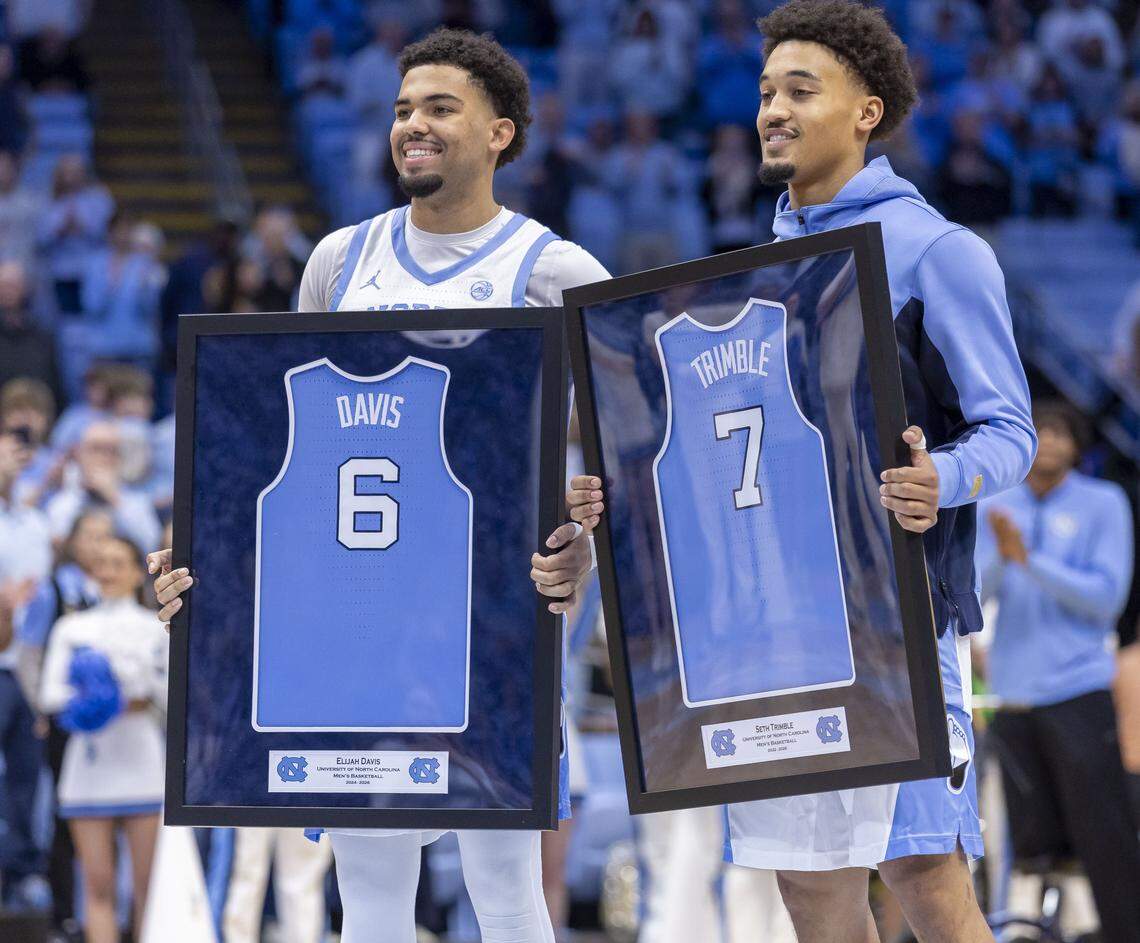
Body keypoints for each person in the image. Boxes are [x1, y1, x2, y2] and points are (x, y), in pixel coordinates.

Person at [543, 3, 1037, 942]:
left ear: (867, 110)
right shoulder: (754, 271)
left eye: (801, 90)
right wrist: (626, 492)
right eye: (767, 91)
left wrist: (947, 479)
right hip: (762, 628)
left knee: (926, 875)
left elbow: (1007, 427)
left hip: (896, 616)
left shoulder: (940, 251)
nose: (772, 108)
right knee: (810, 893)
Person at [148, 27, 601, 943]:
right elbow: (291, 443)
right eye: (402, 109)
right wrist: (208, 556)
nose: (412, 126)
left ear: (502, 133)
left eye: (440, 108)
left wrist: (587, 539)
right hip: (366, 613)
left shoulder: (553, 271)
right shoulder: (340, 261)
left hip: (492, 616)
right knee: (372, 890)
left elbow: (632, 445)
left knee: (507, 886)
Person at [977, 400, 1140, 942]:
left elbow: (1106, 598)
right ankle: (1036, 932)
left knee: (1105, 839)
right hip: (1014, 697)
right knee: (1026, 845)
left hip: (1077, 690)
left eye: (1058, 432)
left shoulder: (1104, 503)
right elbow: (977, 594)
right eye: (1037, 432)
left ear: (1077, 444)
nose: (1047, 442)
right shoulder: (997, 506)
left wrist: (1030, 559)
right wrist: (1002, 555)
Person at [39, 534, 168, 943]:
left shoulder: (156, 627)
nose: (108, 572)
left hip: (141, 759)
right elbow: (49, 695)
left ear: (136, 571)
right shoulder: (71, 627)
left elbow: (168, 696)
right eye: (102, 564)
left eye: (118, 563)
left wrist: (135, 685)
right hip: (90, 762)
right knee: (97, 886)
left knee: (149, 887)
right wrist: (94, 695)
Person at [17, 507, 109, 937]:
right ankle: (64, 913)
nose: (96, 545)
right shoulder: (52, 590)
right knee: (66, 815)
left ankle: (108, 910)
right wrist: (39, 709)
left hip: (109, 722)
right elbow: (31, 655)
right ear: (72, 540)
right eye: (89, 535)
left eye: (104, 536)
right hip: (63, 720)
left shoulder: (108, 590)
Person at [0, 424, 54, 913]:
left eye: (23, 446)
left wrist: (36, 691)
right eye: (6, 441)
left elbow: (35, 612)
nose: (18, 452)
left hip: (20, 669)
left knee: (25, 785)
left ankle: (18, 880)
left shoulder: (35, 523)